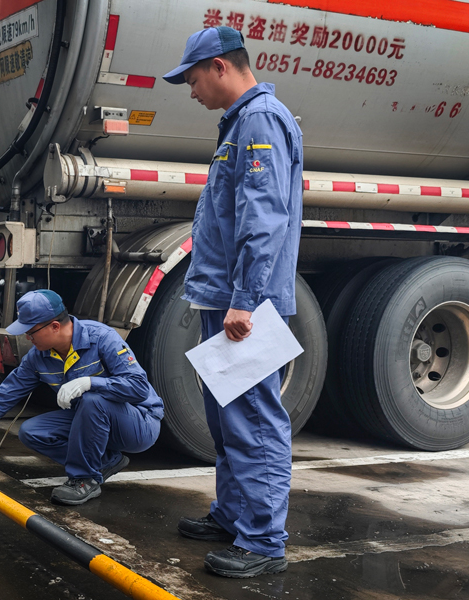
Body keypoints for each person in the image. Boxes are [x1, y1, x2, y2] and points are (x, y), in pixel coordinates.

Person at [163, 25, 303, 578]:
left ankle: (264, 541)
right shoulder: (241, 123)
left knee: (253, 420)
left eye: (193, 79)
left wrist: (245, 298)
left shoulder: (260, 120)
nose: (191, 91)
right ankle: (234, 515)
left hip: (245, 303)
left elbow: (262, 220)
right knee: (225, 417)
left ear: (220, 66)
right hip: (226, 298)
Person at [0, 290, 163, 505]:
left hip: (138, 423)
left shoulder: (102, 338)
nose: (27, 338)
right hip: (93, 421)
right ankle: (105, 462)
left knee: (94, 400)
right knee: (33, 432)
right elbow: (4, 396)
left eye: (30, 332)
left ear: (54, 326)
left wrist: (91, 382)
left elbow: (139, 388)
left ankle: (85, 480)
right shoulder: (38, 357)